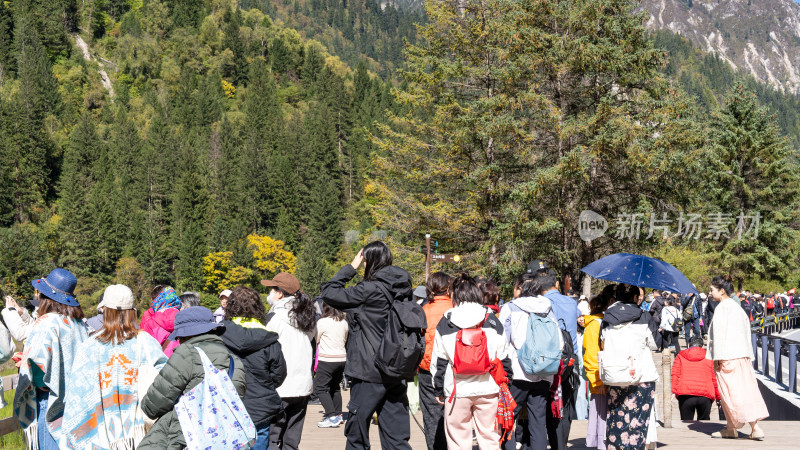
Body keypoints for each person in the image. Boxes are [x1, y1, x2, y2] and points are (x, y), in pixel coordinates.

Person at [320, 241, 415, 450]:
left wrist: (351, 267)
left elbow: (328, 292)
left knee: (357, 434)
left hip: (368, 370)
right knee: (396, 436)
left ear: (368, 260)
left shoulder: (368, 290)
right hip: (396, 368)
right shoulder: (404, 288)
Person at [59, 284, 168, 449]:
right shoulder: (146, 342)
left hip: (100, 434)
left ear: (105, 310)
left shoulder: (89, 346)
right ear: (132, 311)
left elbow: (77, 395)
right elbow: (164, 381)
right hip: (139, 434)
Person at [138, 306, 246, 449]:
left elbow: (152, 406)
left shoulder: (186, 354)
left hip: (185, 439)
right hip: (224, 440)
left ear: (185, 335)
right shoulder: (234, 361)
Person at [431, 274, 511, 450]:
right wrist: (507, 382)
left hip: (457, 389)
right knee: (490, 437)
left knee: (458, 439)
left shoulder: (446, 321)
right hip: (489, 388)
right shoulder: (491, 320)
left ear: (455, 296)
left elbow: (440, 360)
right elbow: (504, 354)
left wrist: (438, 388)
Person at [15, 268, 89, 450]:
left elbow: (38, 374)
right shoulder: (79, 324)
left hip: (50, 401)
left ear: (46, 297)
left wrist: (24, 363)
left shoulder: (46, 322)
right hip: (76, 402)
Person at [499, 272, 563, 450]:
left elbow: (502, 341)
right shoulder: (548, 308)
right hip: (544, 371)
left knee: (509, 418)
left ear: (520, 288)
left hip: (517, 371)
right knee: (538, 421)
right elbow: (559, 340)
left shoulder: (511, 307)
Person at [219, 286, 288, 450]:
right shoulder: (269, 338)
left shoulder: (219, 334)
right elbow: (279, 374)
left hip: (227, 402)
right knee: (260, 438)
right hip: (260, 406)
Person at [707, 275, 768, 440]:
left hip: (727, 356)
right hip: (742, 356)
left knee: (732, 394)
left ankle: (749, 427)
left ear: (721, 291)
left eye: (712, 290)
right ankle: (734, 427)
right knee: (745, 390)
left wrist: (718, 357)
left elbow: (719, 335)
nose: (710, 292)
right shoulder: (737, 308)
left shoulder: (722, 308)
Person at [601, 284, 659, 449]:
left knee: (616, 420)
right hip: (641, 376)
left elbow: (602, 342)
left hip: (615, 374)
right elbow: (656, 344)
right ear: (635, 298)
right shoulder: (644, 316)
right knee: (637, 425)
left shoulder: (607, 317)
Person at [263, 272, 316, 450]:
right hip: (303, 385)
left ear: (279, 293)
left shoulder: (274, 318)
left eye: (271, 289)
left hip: (280, 385)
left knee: (272, 437)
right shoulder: (307, 316)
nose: (269, 293)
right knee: (292, 440)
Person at [537, 268, 580, 450]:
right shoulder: (571, 303)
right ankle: (560, 444)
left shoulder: (539, 303)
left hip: (546, 359)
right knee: (566, 405)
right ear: (556, 284)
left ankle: (548, 440)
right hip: (570, 361)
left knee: (545, 403)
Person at [418, 271, 452, 450]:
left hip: (427, 370)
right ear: (449, 288)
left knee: (431, 416)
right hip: (454, 370)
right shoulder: (455, 309)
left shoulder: (423, 311)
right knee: (454, 415)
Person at [583, 285, 615, 450]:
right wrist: (598, 381)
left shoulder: (603, 323)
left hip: (607, 379)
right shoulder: (596, 325)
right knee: (600, 416)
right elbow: (591, 356)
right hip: (600, 380)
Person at [314, 302, 349, 428]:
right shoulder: (343, 322)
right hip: (341, 359)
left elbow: (316, 338)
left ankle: (331, 416)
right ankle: (338, 415)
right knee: (334, 387)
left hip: (327, 359)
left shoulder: (323, 322)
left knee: (319, 387)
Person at [671, 336, 720, 420]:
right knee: (704, 427)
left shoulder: (680, 356)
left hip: (685, 394)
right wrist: (718, 397)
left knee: (686, 424)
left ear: (688, 345)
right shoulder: (709, 357)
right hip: (705, 395)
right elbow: (714, 378)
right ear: (702, 345)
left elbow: (675, 374)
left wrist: (673, 391)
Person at [140, 286, 181, 356]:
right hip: (180, 361)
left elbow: (145, 349)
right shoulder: (185, 318)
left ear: (157, 301)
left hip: (160, 363)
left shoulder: (151, 322)